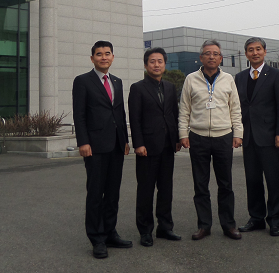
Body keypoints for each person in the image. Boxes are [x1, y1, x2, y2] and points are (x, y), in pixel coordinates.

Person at [178, 40, 244, 241]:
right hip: (198, 137)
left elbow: (235, 108)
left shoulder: (228, 79)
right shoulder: (191, 79)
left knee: (225, 184)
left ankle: (229, 225)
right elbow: (184, 108)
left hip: (223, 136)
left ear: (220, 58)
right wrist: (183, 134)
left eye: (215, 54)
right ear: (201, 57)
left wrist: (238, 133)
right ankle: (204, 225)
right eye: (207, 53)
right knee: (200, 184)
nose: (211, 57)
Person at [72, 40, 132, 259]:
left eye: (107, 53)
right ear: (92, 58)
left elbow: (120, 113)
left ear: (113, 57)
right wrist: (83, 142)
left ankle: (110, 232)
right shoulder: (82, 81)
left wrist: (125, 140)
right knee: (96, 193)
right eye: (99, 54)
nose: (104, 57)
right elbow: (79, 114)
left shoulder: (117, 81)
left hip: (116, 145)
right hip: (95, 146)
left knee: (113, 193)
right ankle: (97, 238)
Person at [234, 37, 279, 237]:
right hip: (248, 137)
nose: (254, 53)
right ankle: (256, 218)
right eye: (250, 50)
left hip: (270, 136)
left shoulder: (277, 75)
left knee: (273, 180)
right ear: (246, 54)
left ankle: (275, 220)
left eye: (258, 49)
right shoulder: (239, 77)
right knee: (252, 180)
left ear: (265, 52)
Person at [128, 48, 182, 247]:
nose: (156, 65)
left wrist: (177, 139)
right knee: (146, 190)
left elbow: (174, 114)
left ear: (165, 64)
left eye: (160, 61)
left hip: (167, 146)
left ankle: (165, 227)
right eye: (152, 61)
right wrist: (138, 144)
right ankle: (145, 230)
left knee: (166, 189)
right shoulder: (138, 88)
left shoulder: (170, 87)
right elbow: (135, 118)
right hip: (147, 148)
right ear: (146, 65)